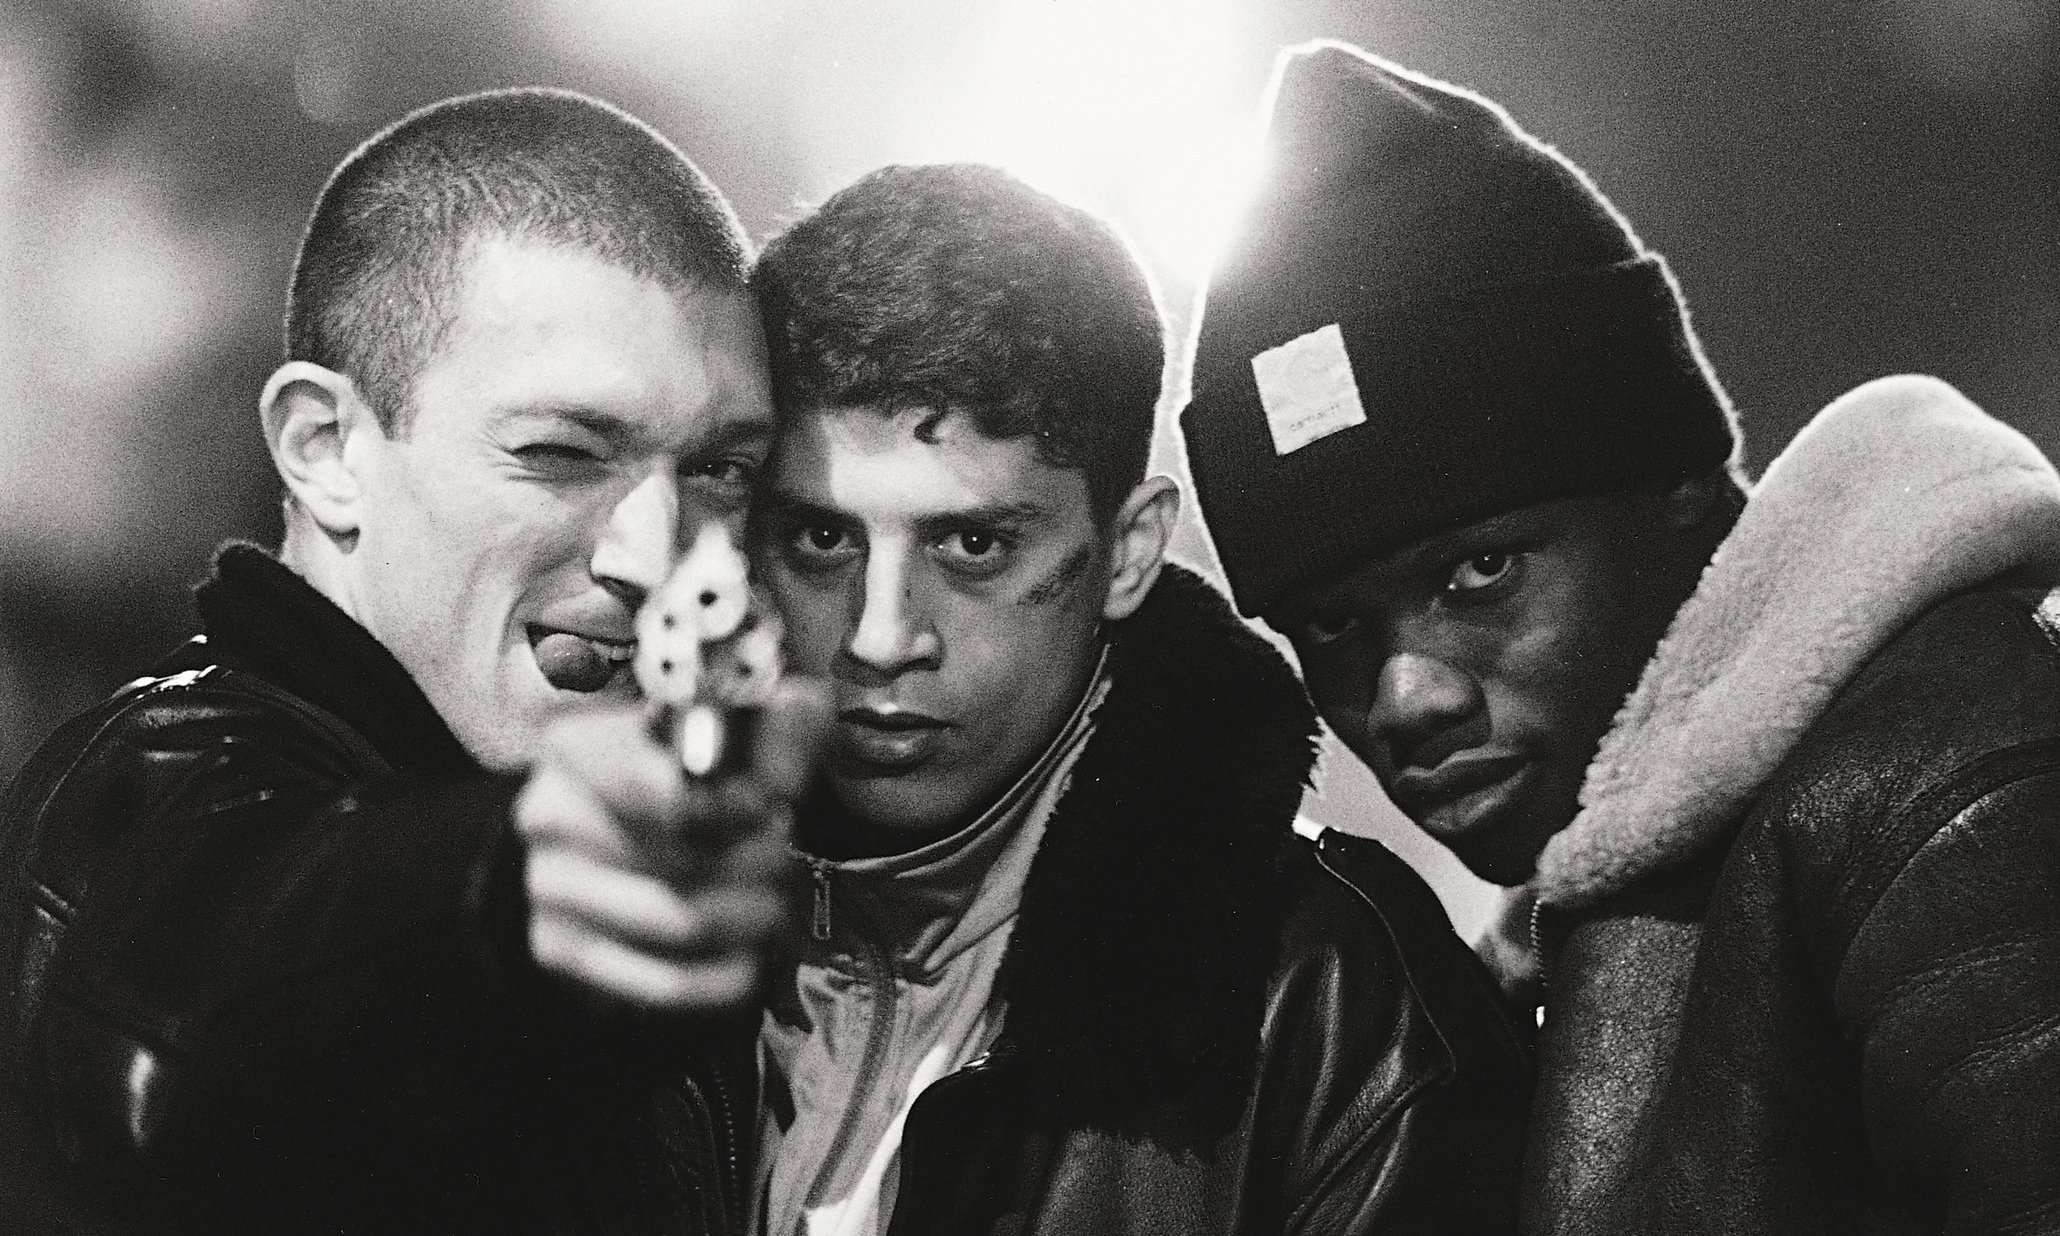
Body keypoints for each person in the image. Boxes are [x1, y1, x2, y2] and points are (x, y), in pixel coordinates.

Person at [1180, 40, 2060, 1235]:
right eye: (1329, 624)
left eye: (1478, 572)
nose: (1403, 697)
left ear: (1675, 479)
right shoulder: (1558, 941)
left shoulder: (1936, 786)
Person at [0, 88, 825, 1234]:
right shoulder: (157, 793)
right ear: (324, 449)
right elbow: (243, 954)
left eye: (719, 471)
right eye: (560, 453)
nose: (654, 555)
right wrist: (503, 893)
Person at [742, 161, 1530, 1236]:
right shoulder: (598, 941)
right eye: (823, 537)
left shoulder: (1338, 1008)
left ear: (1128, 552)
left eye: (972, 545)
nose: (880, 638)